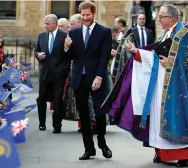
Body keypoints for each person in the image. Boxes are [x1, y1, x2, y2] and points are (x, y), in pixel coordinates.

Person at [103, 4, 188, 167]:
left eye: (161, 17)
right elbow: (156, 55)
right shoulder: (166, 34)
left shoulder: (185, 32)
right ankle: (162, 152)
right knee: (158, 120)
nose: (158, 20)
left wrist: (170, 62)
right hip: (162, 84)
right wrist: (136, 51)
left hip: (178, 87)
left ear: (170, 18)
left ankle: (183, 154)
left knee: (178, 118)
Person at [64, 0, 112, 160]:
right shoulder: (74, 33)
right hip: (79, 78)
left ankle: (102, 142)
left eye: (88, 15)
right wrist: (66, 48)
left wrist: (99, 76)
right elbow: (70, 57)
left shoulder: (104, 32)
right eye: (83, 15)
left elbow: (104, 57)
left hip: (97, 77)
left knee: (99, 112)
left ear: (94, 13)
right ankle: (88, 148)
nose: (85, 18)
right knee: (83, 115)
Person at [34, 14, 70, 133]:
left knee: (57, 100)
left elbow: (68, 55)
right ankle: (42, 123)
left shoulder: (64, 36)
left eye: (47, 23)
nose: (45, 26)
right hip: (44, 73)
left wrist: (63, 71)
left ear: (54, 24)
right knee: (41, 99)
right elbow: (36, 50)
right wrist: (38, 55)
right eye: (45, 23)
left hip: (58, 75)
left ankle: (57, 125)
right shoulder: (42, 36)